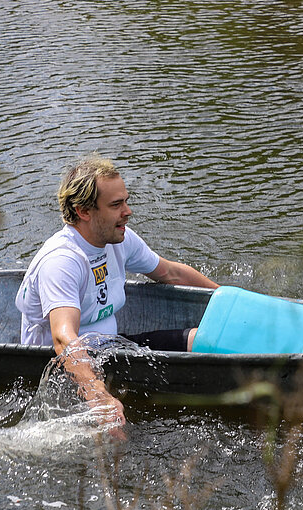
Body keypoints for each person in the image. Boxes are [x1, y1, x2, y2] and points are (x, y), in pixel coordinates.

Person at [16, 156, 219, 429]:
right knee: (116, 433)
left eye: (126, 201)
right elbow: (63, 339)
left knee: (202, 340)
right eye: (116, 205)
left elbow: (171, 273)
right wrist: (99, 398)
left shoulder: (118, 238)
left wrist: (228, 298)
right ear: (83, 211)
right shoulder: (63, 261)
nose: (128, 211)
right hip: (68, 370)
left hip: (111, 350)